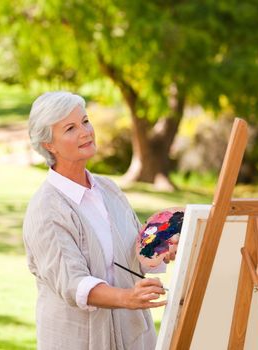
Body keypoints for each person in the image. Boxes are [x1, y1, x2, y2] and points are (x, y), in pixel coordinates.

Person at [23, 91, 176, 349]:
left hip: (132, 336)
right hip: (79, 340)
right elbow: (73, 283)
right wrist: (128, 297)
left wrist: (164, 246)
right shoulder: (46, 210)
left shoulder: (108, 189)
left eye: (85, 121)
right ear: (49, 144)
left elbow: (137, 250)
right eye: (70, 128)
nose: (85, 132)